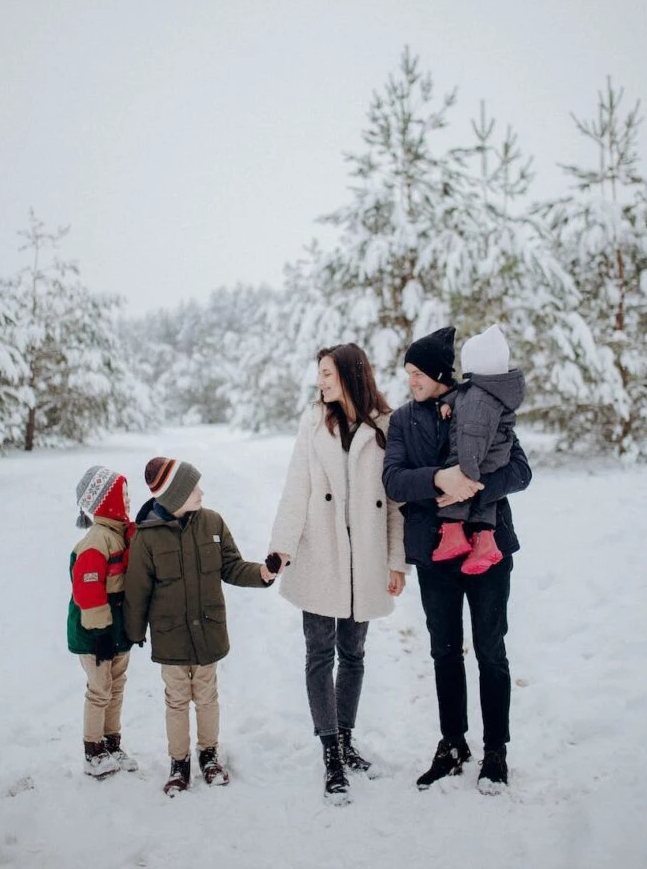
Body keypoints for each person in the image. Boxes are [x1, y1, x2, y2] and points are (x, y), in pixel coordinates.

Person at [382, 326, 532, 794]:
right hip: (437, 553)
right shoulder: (403, 420)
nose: (411, 381)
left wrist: (476, 485)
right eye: (407, 373)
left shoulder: (484, 400)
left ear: (440, 373)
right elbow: (394, 481)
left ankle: (496, 751)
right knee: (444, 651)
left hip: (489, 552)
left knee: (491, 651)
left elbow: (521, 471)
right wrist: (442, 480)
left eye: (417, 373)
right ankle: (452, 744)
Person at [268, 343, 407, 804]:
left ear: (348, 375)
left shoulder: (384, 427)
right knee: (318, 655)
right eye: (319, 374)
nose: (320, 382)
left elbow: (394, 505)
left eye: (326, 374)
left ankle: (346, 739)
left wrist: (395, 560)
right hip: (320, 554)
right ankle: (330, 751)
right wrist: (281, 549)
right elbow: (296, 488)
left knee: (354, 653)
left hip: (364, 559)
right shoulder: (313, 422)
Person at [123, 456, 276, 796]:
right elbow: (137, 590)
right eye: (193, 488)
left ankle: (209, 754)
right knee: (177, 700)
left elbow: (233, 567)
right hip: (170, 636)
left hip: (207, 629)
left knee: (206, 697)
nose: (201, 491)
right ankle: (179, 763)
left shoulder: (212, 523)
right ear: (175, 495)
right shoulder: (146, 538)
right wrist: (133, 633)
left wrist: (263, 574)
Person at [433, 324, 526, 575]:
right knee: (486, 500)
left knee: (461, 481)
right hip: (494, 453)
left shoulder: (478, 401)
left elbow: (471, 436)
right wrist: (449, 401)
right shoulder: (486, 391)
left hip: (478, 455)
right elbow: (466, 394)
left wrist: (466, 478)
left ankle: (456, 534)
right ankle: (483, 540)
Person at [67, 465, 138, 778]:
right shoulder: (97, 541)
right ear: (108, 502)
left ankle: (111, 742)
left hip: (116, 629)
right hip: (95, 632)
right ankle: (92, 749)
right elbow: (88, 590)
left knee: (116, 686)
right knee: (100, 689)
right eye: (123, 495)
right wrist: (100, 633)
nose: (128, 500)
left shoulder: (119, 535)